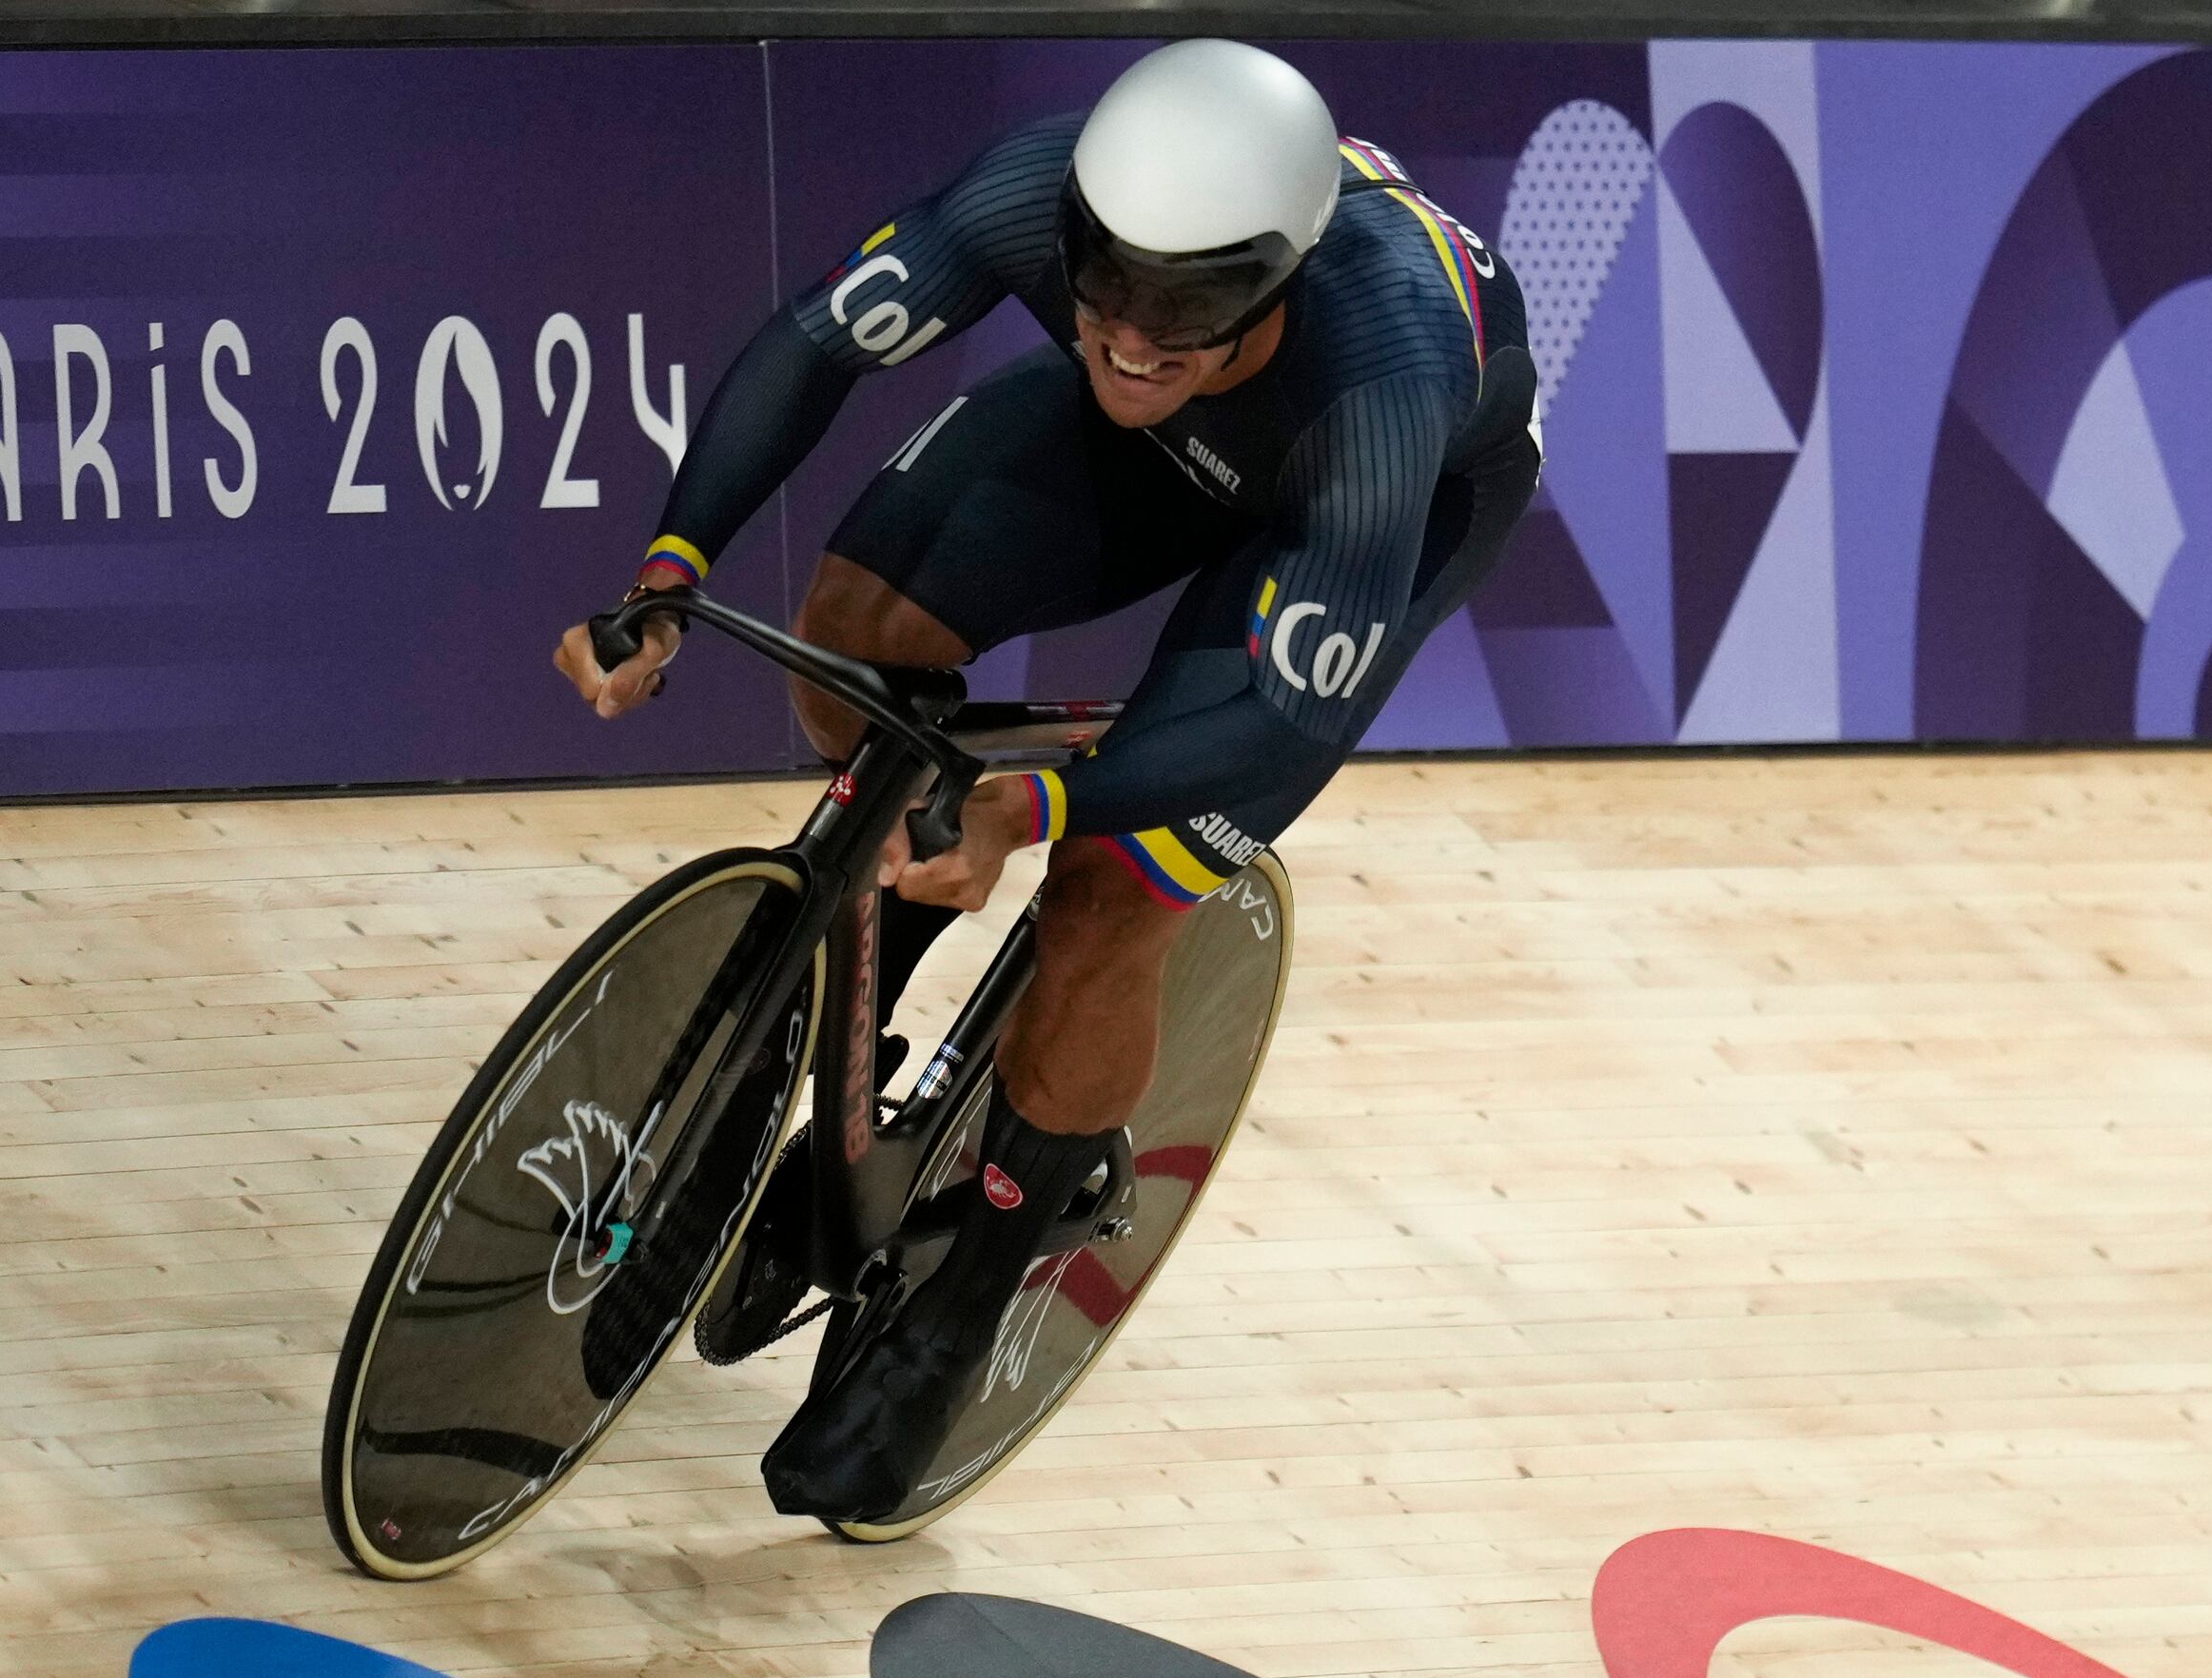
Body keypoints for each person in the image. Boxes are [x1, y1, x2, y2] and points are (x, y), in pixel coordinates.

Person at [554, 38, 1538, 1522]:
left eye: (1191, 308)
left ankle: (982, 1280)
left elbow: (1277, 708)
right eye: (1111, 287)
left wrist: (1031, 807)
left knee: (1105, 897)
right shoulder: (1036, 193)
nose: (1137, 335)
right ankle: (850, 992)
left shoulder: (1384, 368)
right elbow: (815, 346)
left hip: (1352, 506)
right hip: (1180, 445)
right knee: (853, 638)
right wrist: (670, 568)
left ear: (1273, 280)